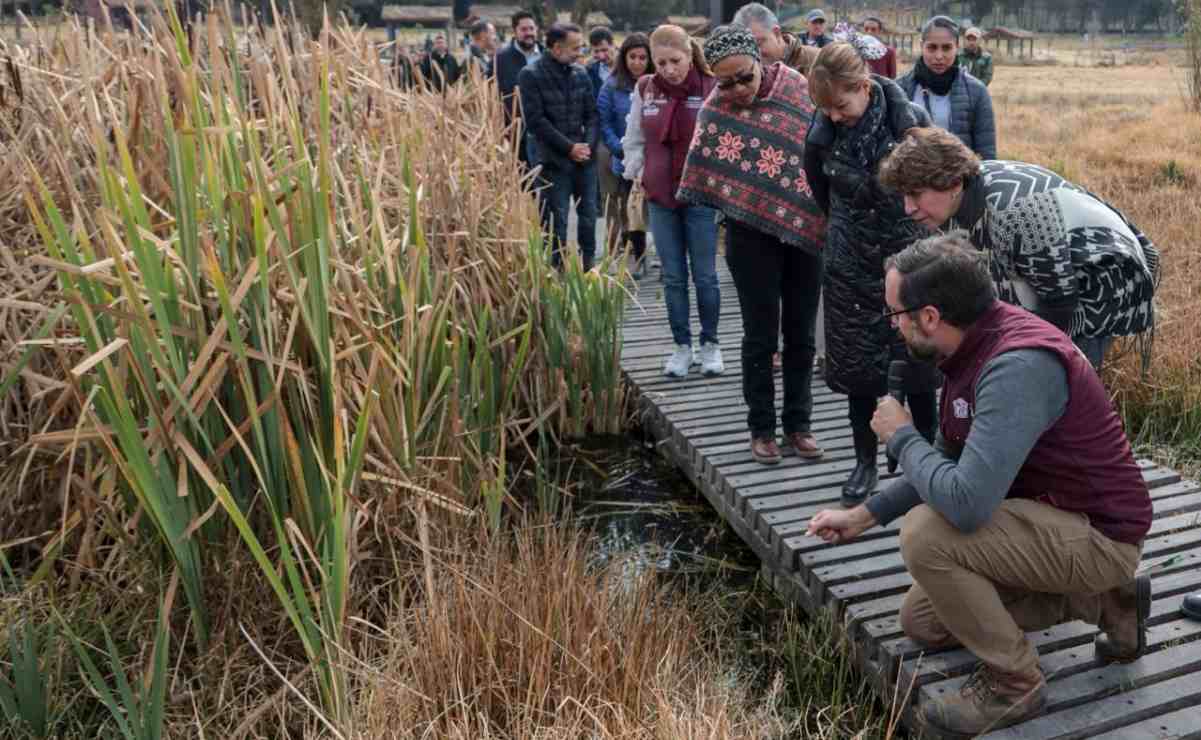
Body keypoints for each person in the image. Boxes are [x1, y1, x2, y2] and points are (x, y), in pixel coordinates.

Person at [807, 233, 1154, 735]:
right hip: (1046, 519)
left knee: (927, 536)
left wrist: (903, 438)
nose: (894, 328)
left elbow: (966, 505)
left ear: (929, 316)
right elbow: (950, 457)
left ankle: (1015, 684)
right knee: (923, 622)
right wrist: (864, 515)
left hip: (1100, 534)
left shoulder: (1016, 365)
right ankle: (1106, 601)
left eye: (895, 316)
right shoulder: (971, 344)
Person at [878, 127, 1160, 369]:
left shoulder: (1014, 210)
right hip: (1048, 281)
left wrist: (1023, 358)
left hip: (1098, 284)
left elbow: (1060, 303)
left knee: (1059, 383)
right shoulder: (956, 203)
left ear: (951, 182)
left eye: (915, 194)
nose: (908, 207)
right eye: (904, 195)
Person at [678, 25, 827, 464]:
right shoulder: (714, 109)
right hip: (748, 235)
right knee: (760, 336)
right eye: (726, 82)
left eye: (745, 76)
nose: (739, 89)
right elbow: (704, 169)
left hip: (805, 230)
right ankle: (761, 428)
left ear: (759, 62)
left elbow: (821, 150)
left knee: (801, 334)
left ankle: (799, 425)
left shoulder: (799, 90)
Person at [803, 42, 939, 507]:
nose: (835, 116)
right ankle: (864, 461)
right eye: (826, 109)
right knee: (859, 368)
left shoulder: (910, 122)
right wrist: (850, 232)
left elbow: (933, 186)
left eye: (841, 105)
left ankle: (929, 457)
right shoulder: (821, 133)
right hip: (849, 264)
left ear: (864, 87)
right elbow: (820, 190)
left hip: (908, 257)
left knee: (919, 361)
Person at [622, 25, 722, 378]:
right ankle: (682, 346)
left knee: (706, 277)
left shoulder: (712, 88)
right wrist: (637, 169)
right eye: (660, 62)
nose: (667, 69)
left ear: (690, 55)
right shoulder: (645, 88)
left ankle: (711, 344)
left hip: (700, 195)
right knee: (674, 278)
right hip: (660, 196)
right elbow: (633, 137)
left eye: (675, 61)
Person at [518, 23, 600, 271]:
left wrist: (588, 146)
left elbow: (592, 115)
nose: (580, 52)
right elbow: (535, 121)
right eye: (575, 47)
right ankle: (558, 271)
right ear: (556, 48)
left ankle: (589, 266)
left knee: (588, 217)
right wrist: (569, 148)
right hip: (553, 160)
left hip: (584, 159)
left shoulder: (580, 73)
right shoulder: (530, 75)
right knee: (556, 220)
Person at [897, 16, 995, 159]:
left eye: (946, 48)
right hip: (910, 178)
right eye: (932, 47)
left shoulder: (977, 91)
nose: (939, 56)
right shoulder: (899, 89)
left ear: (956, 47)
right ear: (921, 46)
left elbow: (987, 154)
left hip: (960, 179)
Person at [597, 33, 653, 277]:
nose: (637, 62)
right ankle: (628, 257)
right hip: (620, 154)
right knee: (624, 208)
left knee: (645, 209)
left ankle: (648, 257)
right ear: (624, 58)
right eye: (632, 57)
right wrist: (620, 149)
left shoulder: (656, 83)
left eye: (642, 57)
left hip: (651, 156)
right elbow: (604, 122)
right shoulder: (611, 86)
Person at [496, 10, 543, 164]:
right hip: (516, 132)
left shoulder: (547, 56)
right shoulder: (500, 59)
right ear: (514, 31)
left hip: (546, 131)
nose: (529, 33)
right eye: (523, 29)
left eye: (531, 28)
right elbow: (493, 95)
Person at [732, 3, 821, 72]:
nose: (754, 53)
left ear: (776, 33)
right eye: (746, 49)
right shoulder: (743, 76)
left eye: (758, 44)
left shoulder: (819, 60)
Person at [585, 26, 614, 97]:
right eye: (596, 51)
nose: (601, 56)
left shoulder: (628, 67)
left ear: (613, 45)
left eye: (604, 50)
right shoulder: (589, 71)